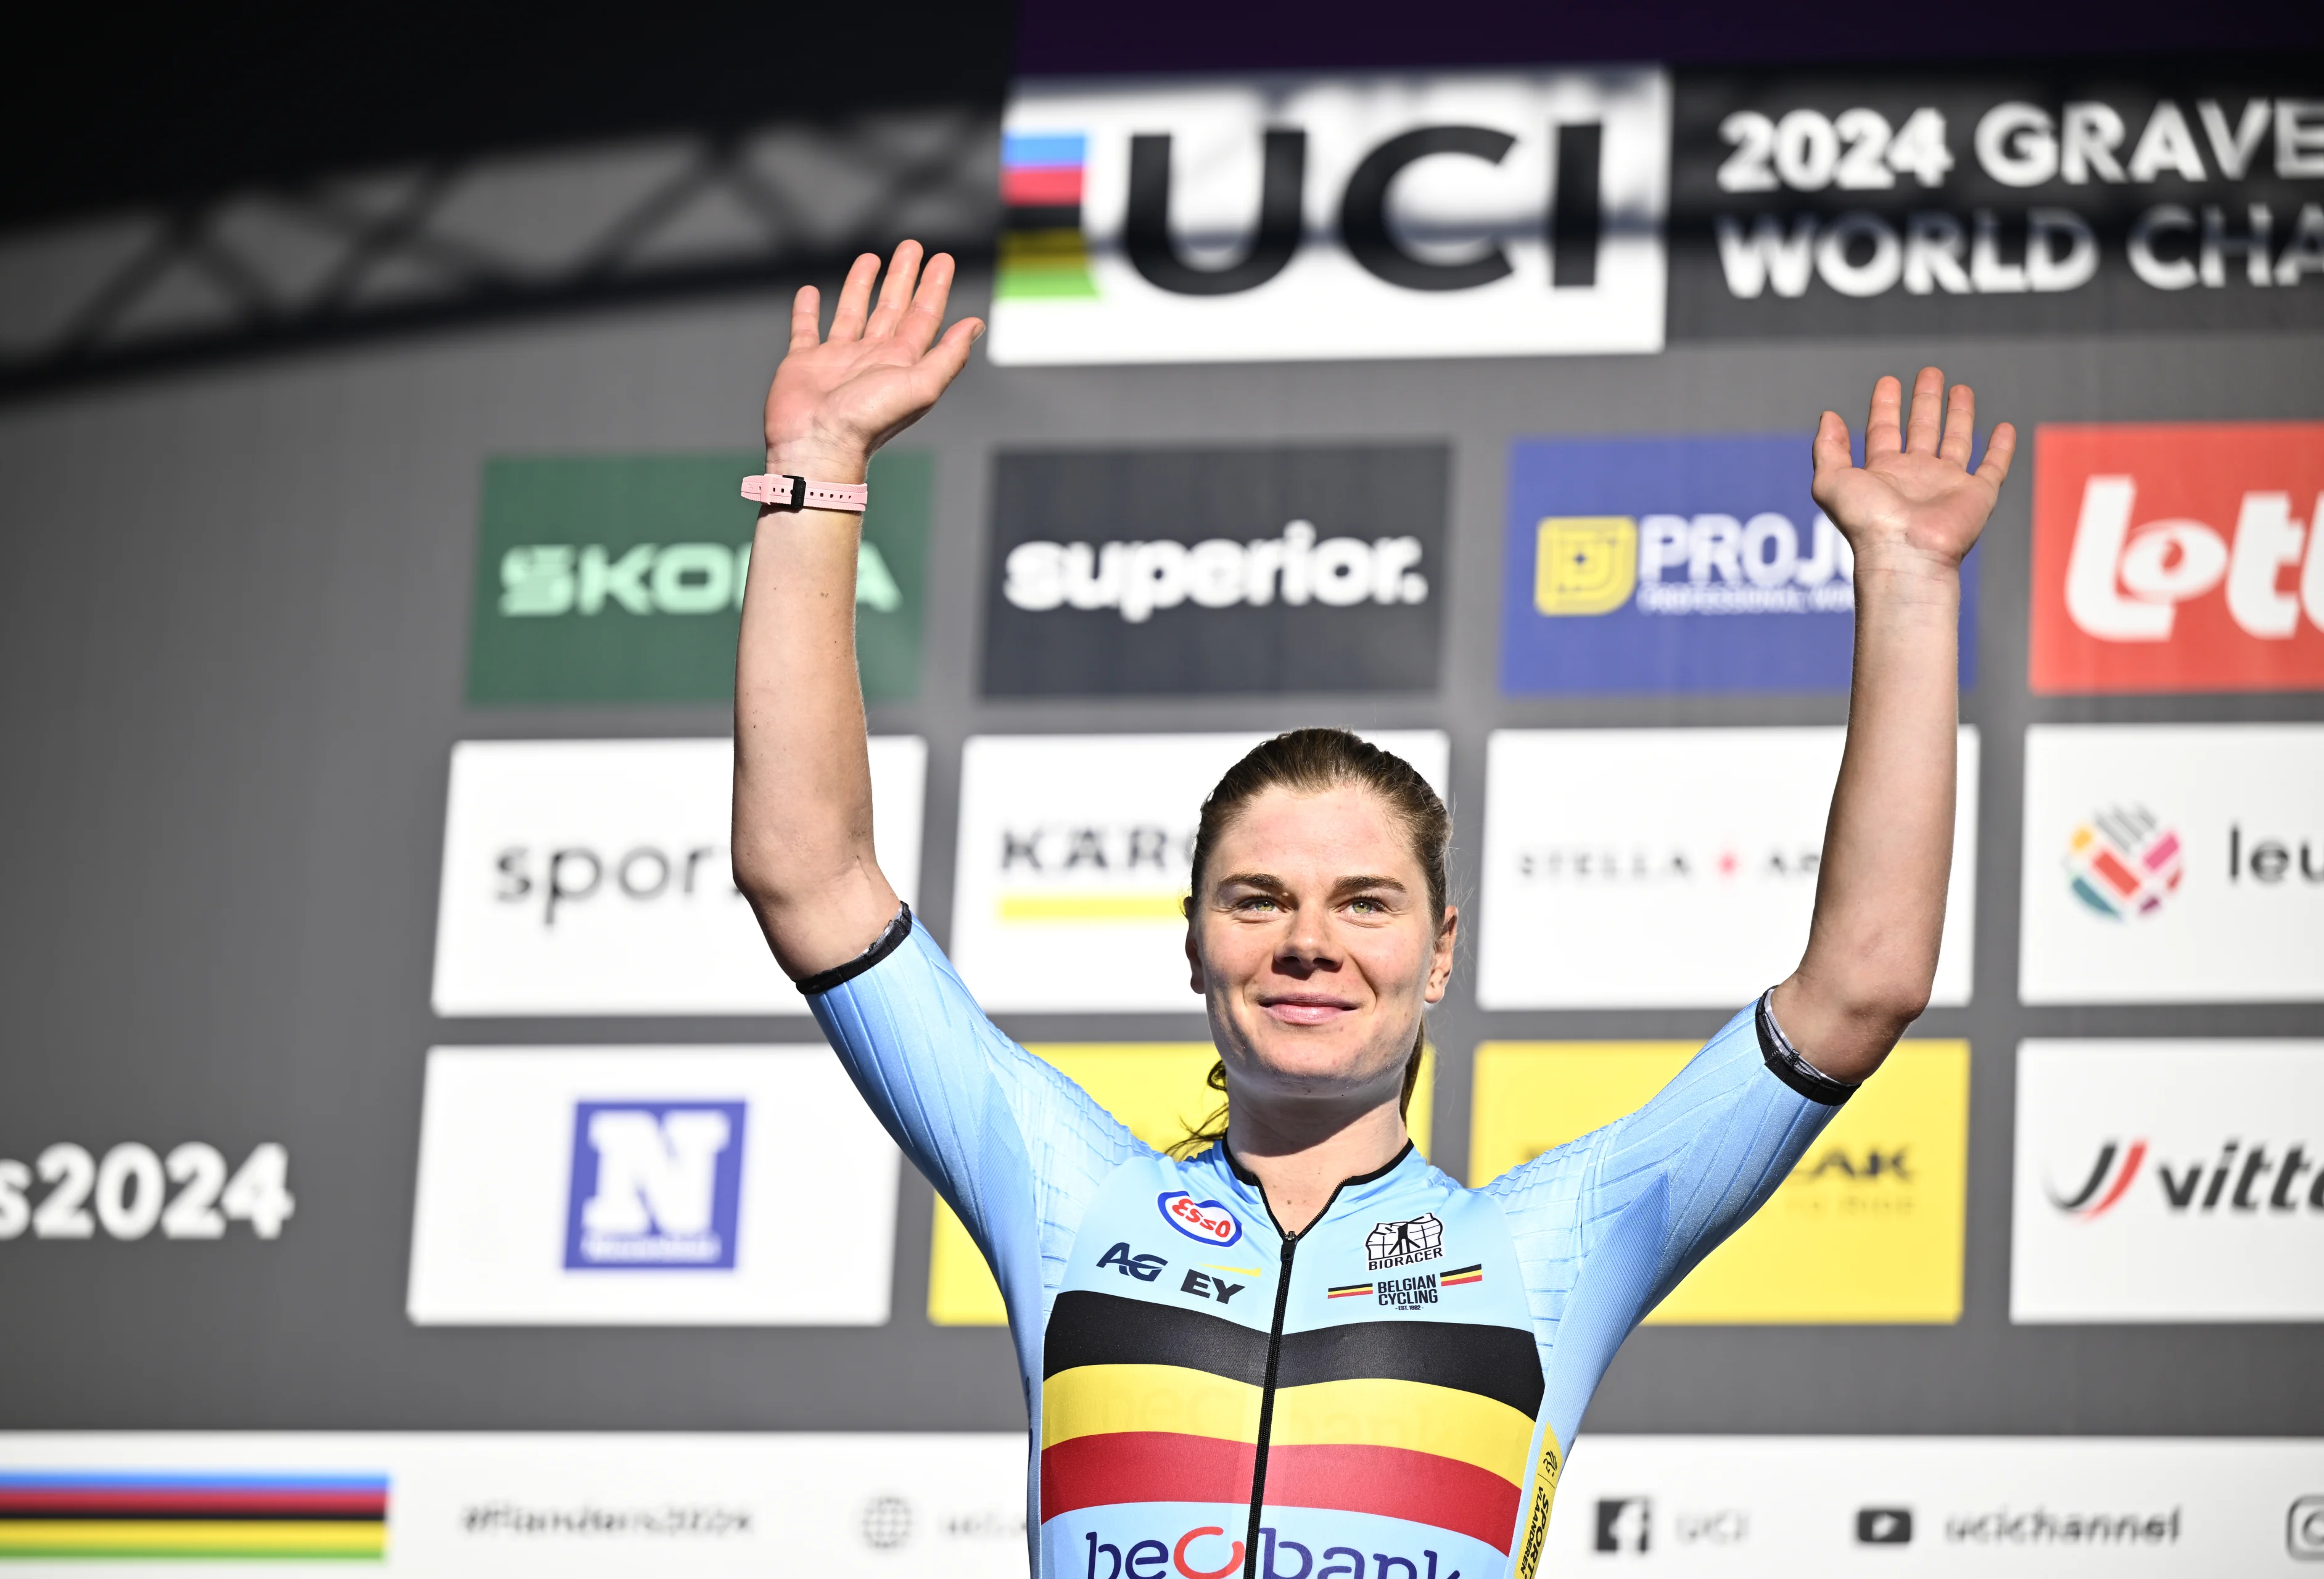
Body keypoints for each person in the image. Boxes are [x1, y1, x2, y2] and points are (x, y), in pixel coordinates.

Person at [731, 241, 2013, 1579]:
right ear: (1194, 943)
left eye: (1365, 900)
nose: (1307, 940)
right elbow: (806, 869)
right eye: (1258, 897)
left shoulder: (1549, 1244)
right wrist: (818, 466)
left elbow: (1864, 980)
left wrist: (1913, 583)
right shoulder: (1063, 1192)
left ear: (1440, 951)